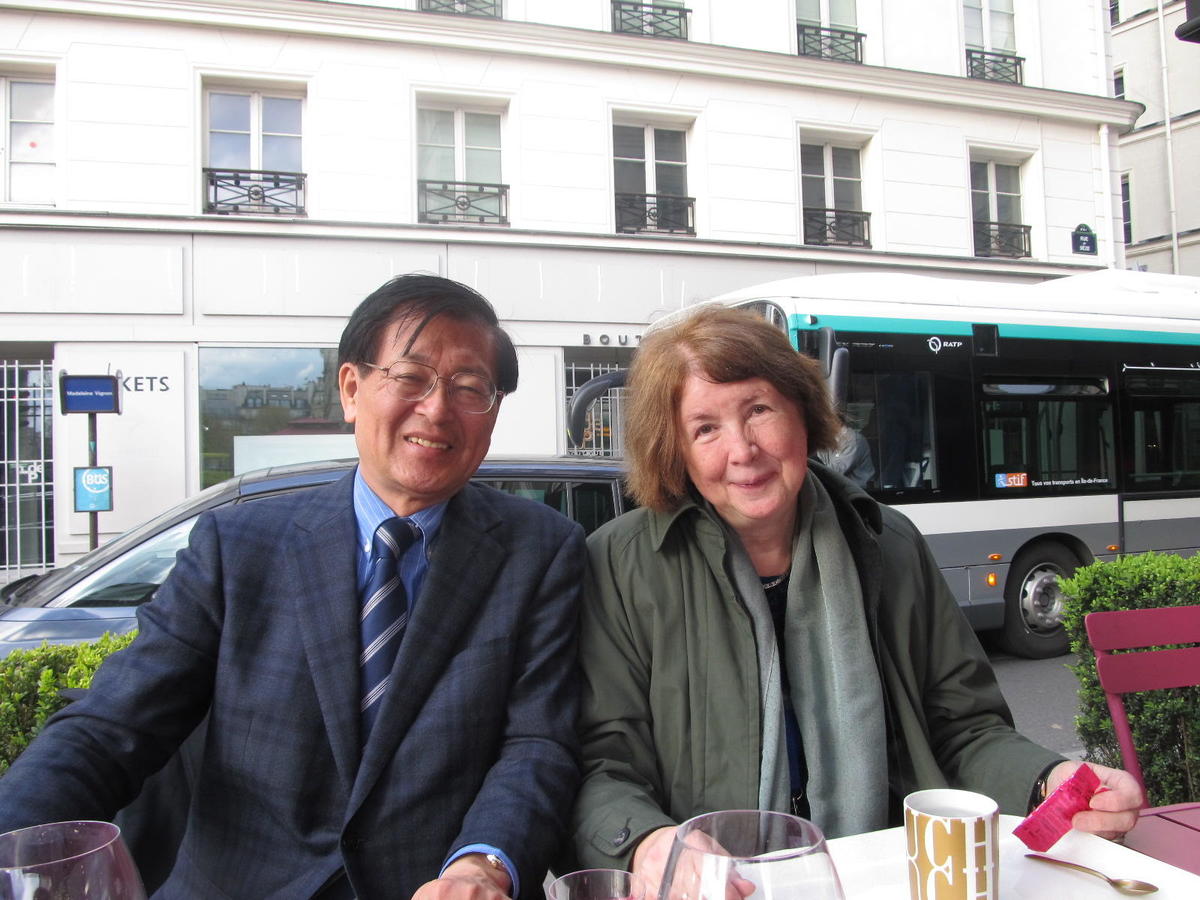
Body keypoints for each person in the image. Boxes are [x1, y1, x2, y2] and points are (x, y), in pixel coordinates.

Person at [0, 274, 585, 900]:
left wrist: (482, 864)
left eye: (470, 388)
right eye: (409, 378)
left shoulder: (540, 551)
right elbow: (113, 726)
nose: (437, 409)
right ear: (353, 389)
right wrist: (14, 838)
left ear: (493, 412)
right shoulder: (238, 545)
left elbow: (538, 742)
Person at [569, 306, 1142, 896]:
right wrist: (649, 842)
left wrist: (1051, 781)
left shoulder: (889, 545)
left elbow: (963, 727)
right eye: (705, 428)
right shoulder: (620, 563)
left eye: (759, 410)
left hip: (884, 877)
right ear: (678, 451)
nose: (742, 450)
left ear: (803, 413)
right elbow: (601, 763)